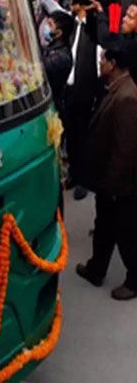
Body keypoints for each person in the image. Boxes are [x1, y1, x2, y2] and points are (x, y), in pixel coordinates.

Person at [76, 38, 137, 299]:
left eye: (102, 60)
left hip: (119, 184)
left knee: (126, 232)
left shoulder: (126, 98)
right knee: (104, 227)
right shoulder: (115, 88)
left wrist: (113, 185)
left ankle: (135, 280)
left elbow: (126, 149)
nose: (99, 63)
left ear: (113, 64)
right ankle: (96, 269)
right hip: (108, 181)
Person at [63, 0, 104, 200]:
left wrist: (96, 11)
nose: (72, 5)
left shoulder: (92, 29)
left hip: (85, 90)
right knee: (70, 134)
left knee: (83, 136)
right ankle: (73, 172)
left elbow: (99, 58)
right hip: (68, 89)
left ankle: (83, 179)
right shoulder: (70, 26)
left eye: (75, 3)